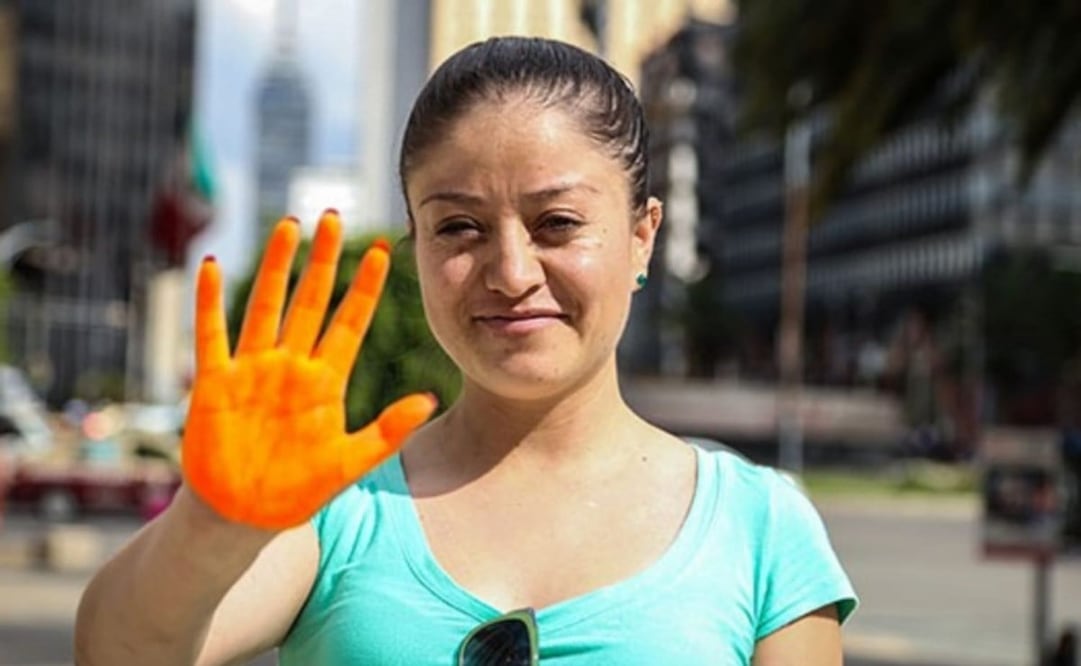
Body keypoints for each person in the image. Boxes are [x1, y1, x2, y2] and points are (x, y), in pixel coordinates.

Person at [74, 36, 857, 665]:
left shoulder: (760, 527)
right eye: (458, 228)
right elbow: (117, 652)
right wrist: (213, 522)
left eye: (556, 224)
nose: (511, 274)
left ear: (642, 235)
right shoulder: (337, 510)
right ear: (416, 246)